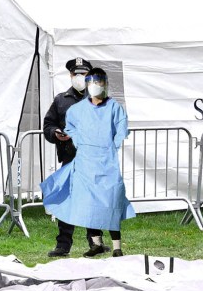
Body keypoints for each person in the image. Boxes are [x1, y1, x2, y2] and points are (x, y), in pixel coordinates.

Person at [41, 68, 135, 257]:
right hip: (78, 160)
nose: (95, 86)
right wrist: (63, 136)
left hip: (102, 161)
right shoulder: (68, 104)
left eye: (98, 83)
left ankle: (106, 245)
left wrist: (110, 147)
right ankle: (77, 244)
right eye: (92, 83)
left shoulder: (110, 106)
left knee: (104, 200)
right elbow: (58, 126)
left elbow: (119, 129)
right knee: (78, 201)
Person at [43, 57, 92, 257]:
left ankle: (95, 242)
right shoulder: (61, 99)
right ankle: (63, 245)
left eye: (83, 74)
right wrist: (55, 132)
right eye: (76, 74)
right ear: (71, 75)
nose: (79, 77)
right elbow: (48, 124)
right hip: (69, 157)